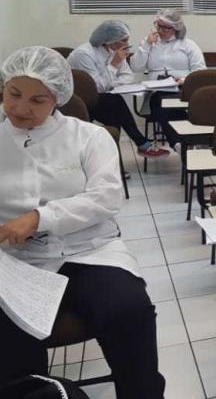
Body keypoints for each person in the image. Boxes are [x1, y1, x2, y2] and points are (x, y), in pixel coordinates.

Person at [0, 46, 165, 397]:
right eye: (13, 94)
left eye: (37, 100)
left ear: (57, 98)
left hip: (88, 251)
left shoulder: (89, 137)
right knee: (11, 330)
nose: (20, 108)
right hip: (15, 261)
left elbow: (106, 197)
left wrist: (39, 218)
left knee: (129, 310)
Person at [68, 20, 169, 158]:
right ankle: (140, 144)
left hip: (103, 99)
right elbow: (95, 87)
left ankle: (115, 163)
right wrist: (114, 65)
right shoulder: (84, 54)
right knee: (115, 102)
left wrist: (111, 82)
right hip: (78, 101)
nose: (127, 45)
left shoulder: (113, 51)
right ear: (110, 40)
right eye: (123, 40)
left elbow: (128, 76)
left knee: (114, 116)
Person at [130, 9, 207, 150]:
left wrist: (184, 80)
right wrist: (146, 45)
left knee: (173, 104)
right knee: (162, 103)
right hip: (157, 90)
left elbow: (200, 71)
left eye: (166, 27)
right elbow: (135, 66)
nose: (160, 30)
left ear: (175, 28)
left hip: (183, 88)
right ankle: (180, 144)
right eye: (158, 26)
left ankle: (184, 142)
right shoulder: (149, 43)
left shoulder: (188, 45)